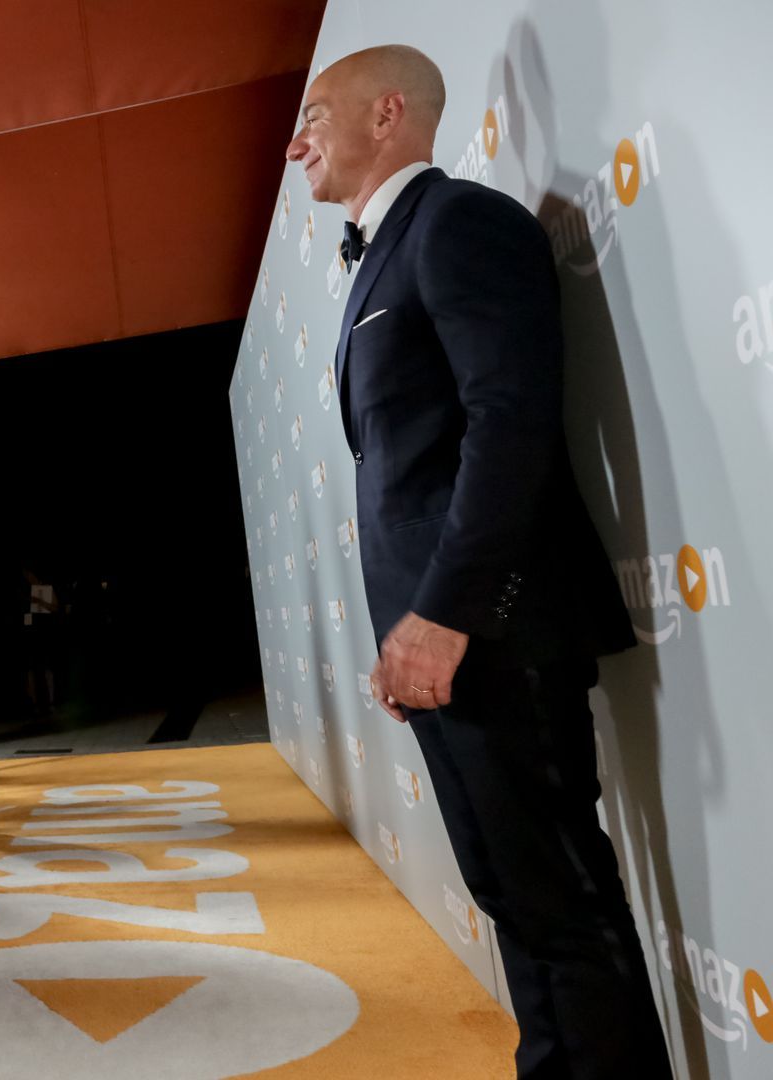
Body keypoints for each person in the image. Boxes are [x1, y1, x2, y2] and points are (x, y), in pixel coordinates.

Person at [287, 45, 669, 1077]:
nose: (296, 143)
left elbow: (511, 424)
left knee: (556, 898)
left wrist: (447, 613)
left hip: (494, 633)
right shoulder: (387, 253)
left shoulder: (458, 223)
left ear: (388, 114)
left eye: (315, 116)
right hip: (450, 647)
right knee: (516, 893)